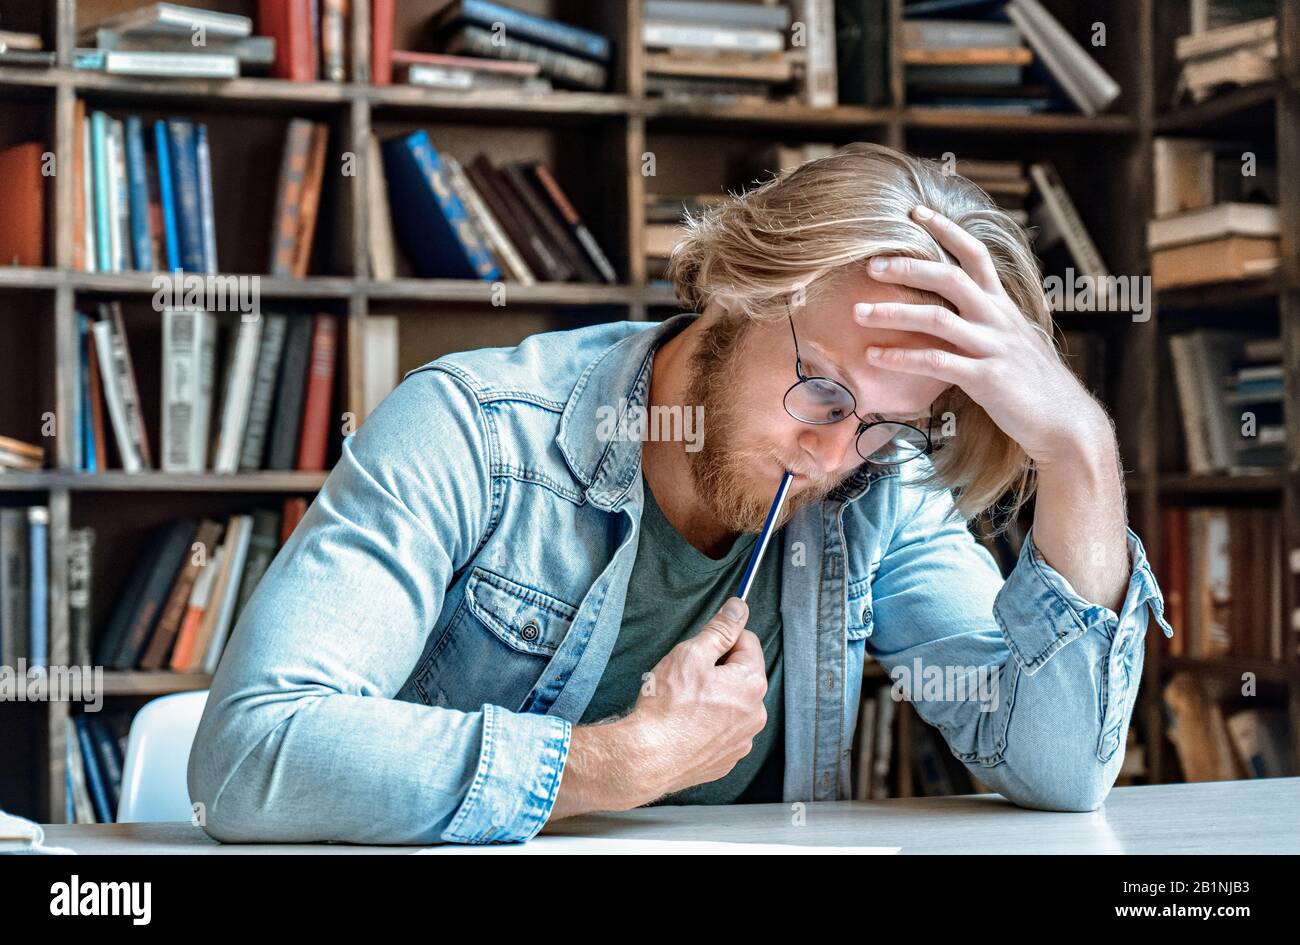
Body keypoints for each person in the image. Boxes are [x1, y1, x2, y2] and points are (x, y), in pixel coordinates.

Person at [188, 142, 1172, 845]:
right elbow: (250, 756)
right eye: (822, 390)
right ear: (737, 286)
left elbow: (1057, 772)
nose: (833, 456)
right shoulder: (473, 431)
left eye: (882, 422)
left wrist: (1080, 445)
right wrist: (624, 762)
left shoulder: (877, 486)